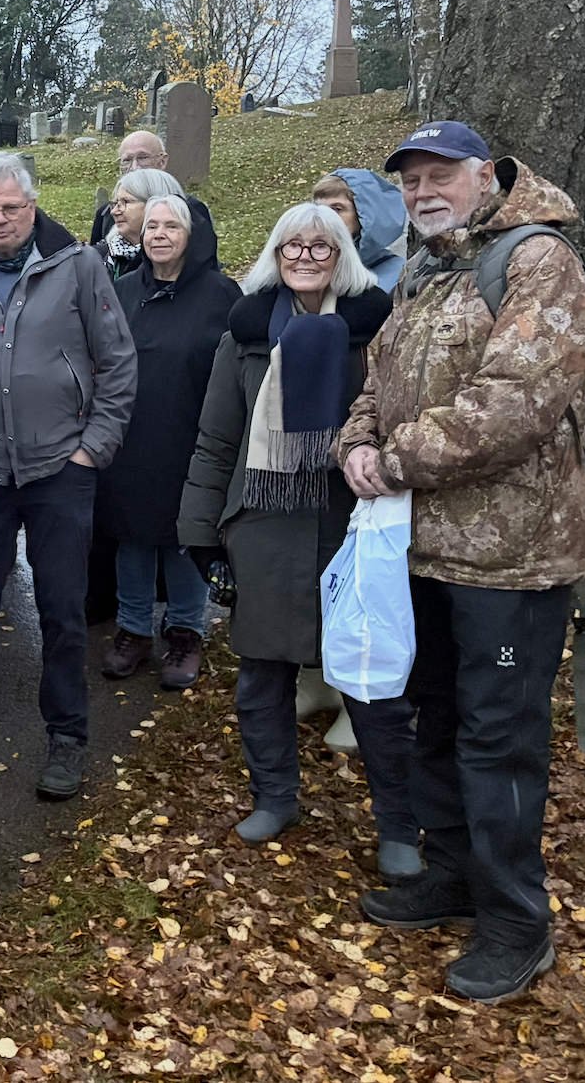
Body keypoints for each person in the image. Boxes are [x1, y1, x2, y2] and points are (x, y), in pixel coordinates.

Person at [339, 122, 585, 1005]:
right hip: (423, 549)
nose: (423, 191)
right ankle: (450, 876)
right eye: (410, 180)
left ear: (485, 175)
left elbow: (515, 402)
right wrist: (355, 445)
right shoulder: (426, 268)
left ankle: (518, 923)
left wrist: (393, 462)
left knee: (500, 741)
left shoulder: (538, 261)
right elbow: (377, 381)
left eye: (440, 175)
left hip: (512, 560)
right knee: (440, 721)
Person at [177, 204, 414, 866]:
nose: (305, 256)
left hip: (354, 524)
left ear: (343, 255)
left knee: (374, 683)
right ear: (275, 254)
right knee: (263, 676)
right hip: (264, 524)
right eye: (292, 245)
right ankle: (275, 796)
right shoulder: (246, 333)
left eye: (321, 245)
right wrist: (201, 534)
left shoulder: (378, 331)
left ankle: (399, 826)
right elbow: (217, 439)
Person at [0, 151, 137, 801]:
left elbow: (118, 362)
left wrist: (94, 448)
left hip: (59, 469)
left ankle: (66, 738)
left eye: (11, 207)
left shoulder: (78, 266)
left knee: (63, 610)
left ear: (32, 206)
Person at [96, 195, 241, 688]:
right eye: (152, 226)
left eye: (171, 226)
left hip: (193, 434)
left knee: (185, 535)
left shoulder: (222, 295)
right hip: (130, 436)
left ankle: (185, 631)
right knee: (133, 533)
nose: (159, 234)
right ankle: (133, 628)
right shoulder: (121, 290)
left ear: (192, 235)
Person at [89, 131, 218, 248]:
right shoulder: (108, 213)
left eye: (143, 157)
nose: (134, 167)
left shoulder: (190, 210)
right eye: (127, 160)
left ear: (162, 161)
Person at [313, 169, 409, 292]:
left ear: (364, 215)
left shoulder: (399, 277)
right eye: (319, 208)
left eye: (337, 209)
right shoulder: (303, 267)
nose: (324, 217)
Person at [95, 167, 186, 281]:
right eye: (116, 203)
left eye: (125, 202)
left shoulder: (177, 263)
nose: (114, 212)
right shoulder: (101, 256)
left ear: (157, 203)